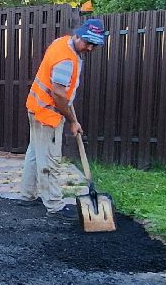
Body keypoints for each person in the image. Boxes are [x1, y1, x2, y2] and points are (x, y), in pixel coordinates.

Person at [21, 19, 105, 218]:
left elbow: (61, 91)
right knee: (50, 160)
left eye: (94, 44)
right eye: (88, 43)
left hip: (35, 107)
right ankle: (54, 205)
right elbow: (58, 94)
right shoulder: (66, 59)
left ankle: (27, 195)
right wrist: (72, 120)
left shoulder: (61, 42)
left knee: (35, 153)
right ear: (78, 35)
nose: (90, 48)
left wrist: (69, 107)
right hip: (47, 114)